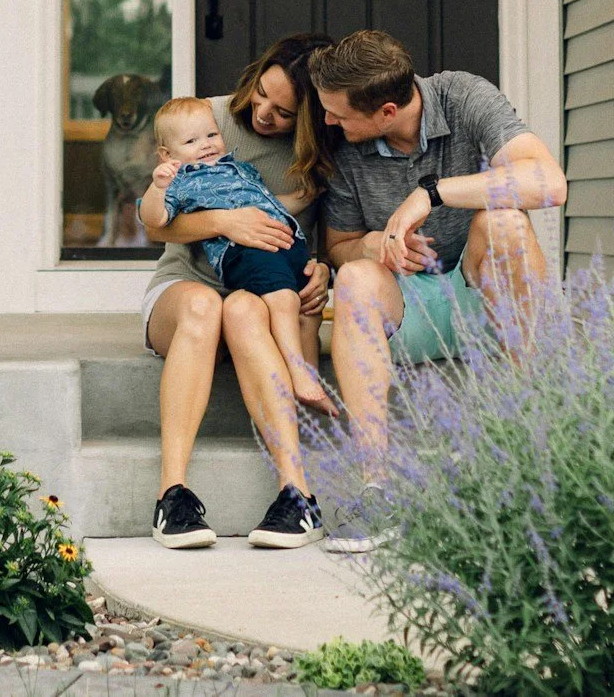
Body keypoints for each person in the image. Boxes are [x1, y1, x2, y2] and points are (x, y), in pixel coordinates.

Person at [308, 29, 566, 554]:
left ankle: (531, 456)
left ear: (385, 111)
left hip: (484, 298)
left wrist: (432, 193)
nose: (328, 121)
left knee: (505, 225)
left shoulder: (464, 97)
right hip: (410, 309)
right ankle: (376, 489)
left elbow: (548, 181)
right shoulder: (345, 148)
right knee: (355, 278)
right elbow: (339, 247)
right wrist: (376, 244)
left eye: (338, 113)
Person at [138, 32, 336, 551]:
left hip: (261, 292)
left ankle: (297, 496)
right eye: (262, 94)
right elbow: (157, 225)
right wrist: (228, 221)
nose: (264, 113)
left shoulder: (316, 152)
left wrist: (321, 270)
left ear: (312, 116)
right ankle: (172, 495)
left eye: (285, 111)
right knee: (208, 304)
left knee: (243, 307)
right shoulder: (205, 120)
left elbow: (317, 233)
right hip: (187, 290)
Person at [139, 96, 334, 414]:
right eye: (191, 141)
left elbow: (272, 205)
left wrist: (307, 195)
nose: (205, 145)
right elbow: (154, 220)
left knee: (307, 309)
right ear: (167, 154)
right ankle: (298, 373)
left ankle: (305, 391)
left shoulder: (240, 169)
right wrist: (158, 187)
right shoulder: (182, 181)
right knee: (284, 300)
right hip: (243, 251)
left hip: (284, 245)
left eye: (211, 136)